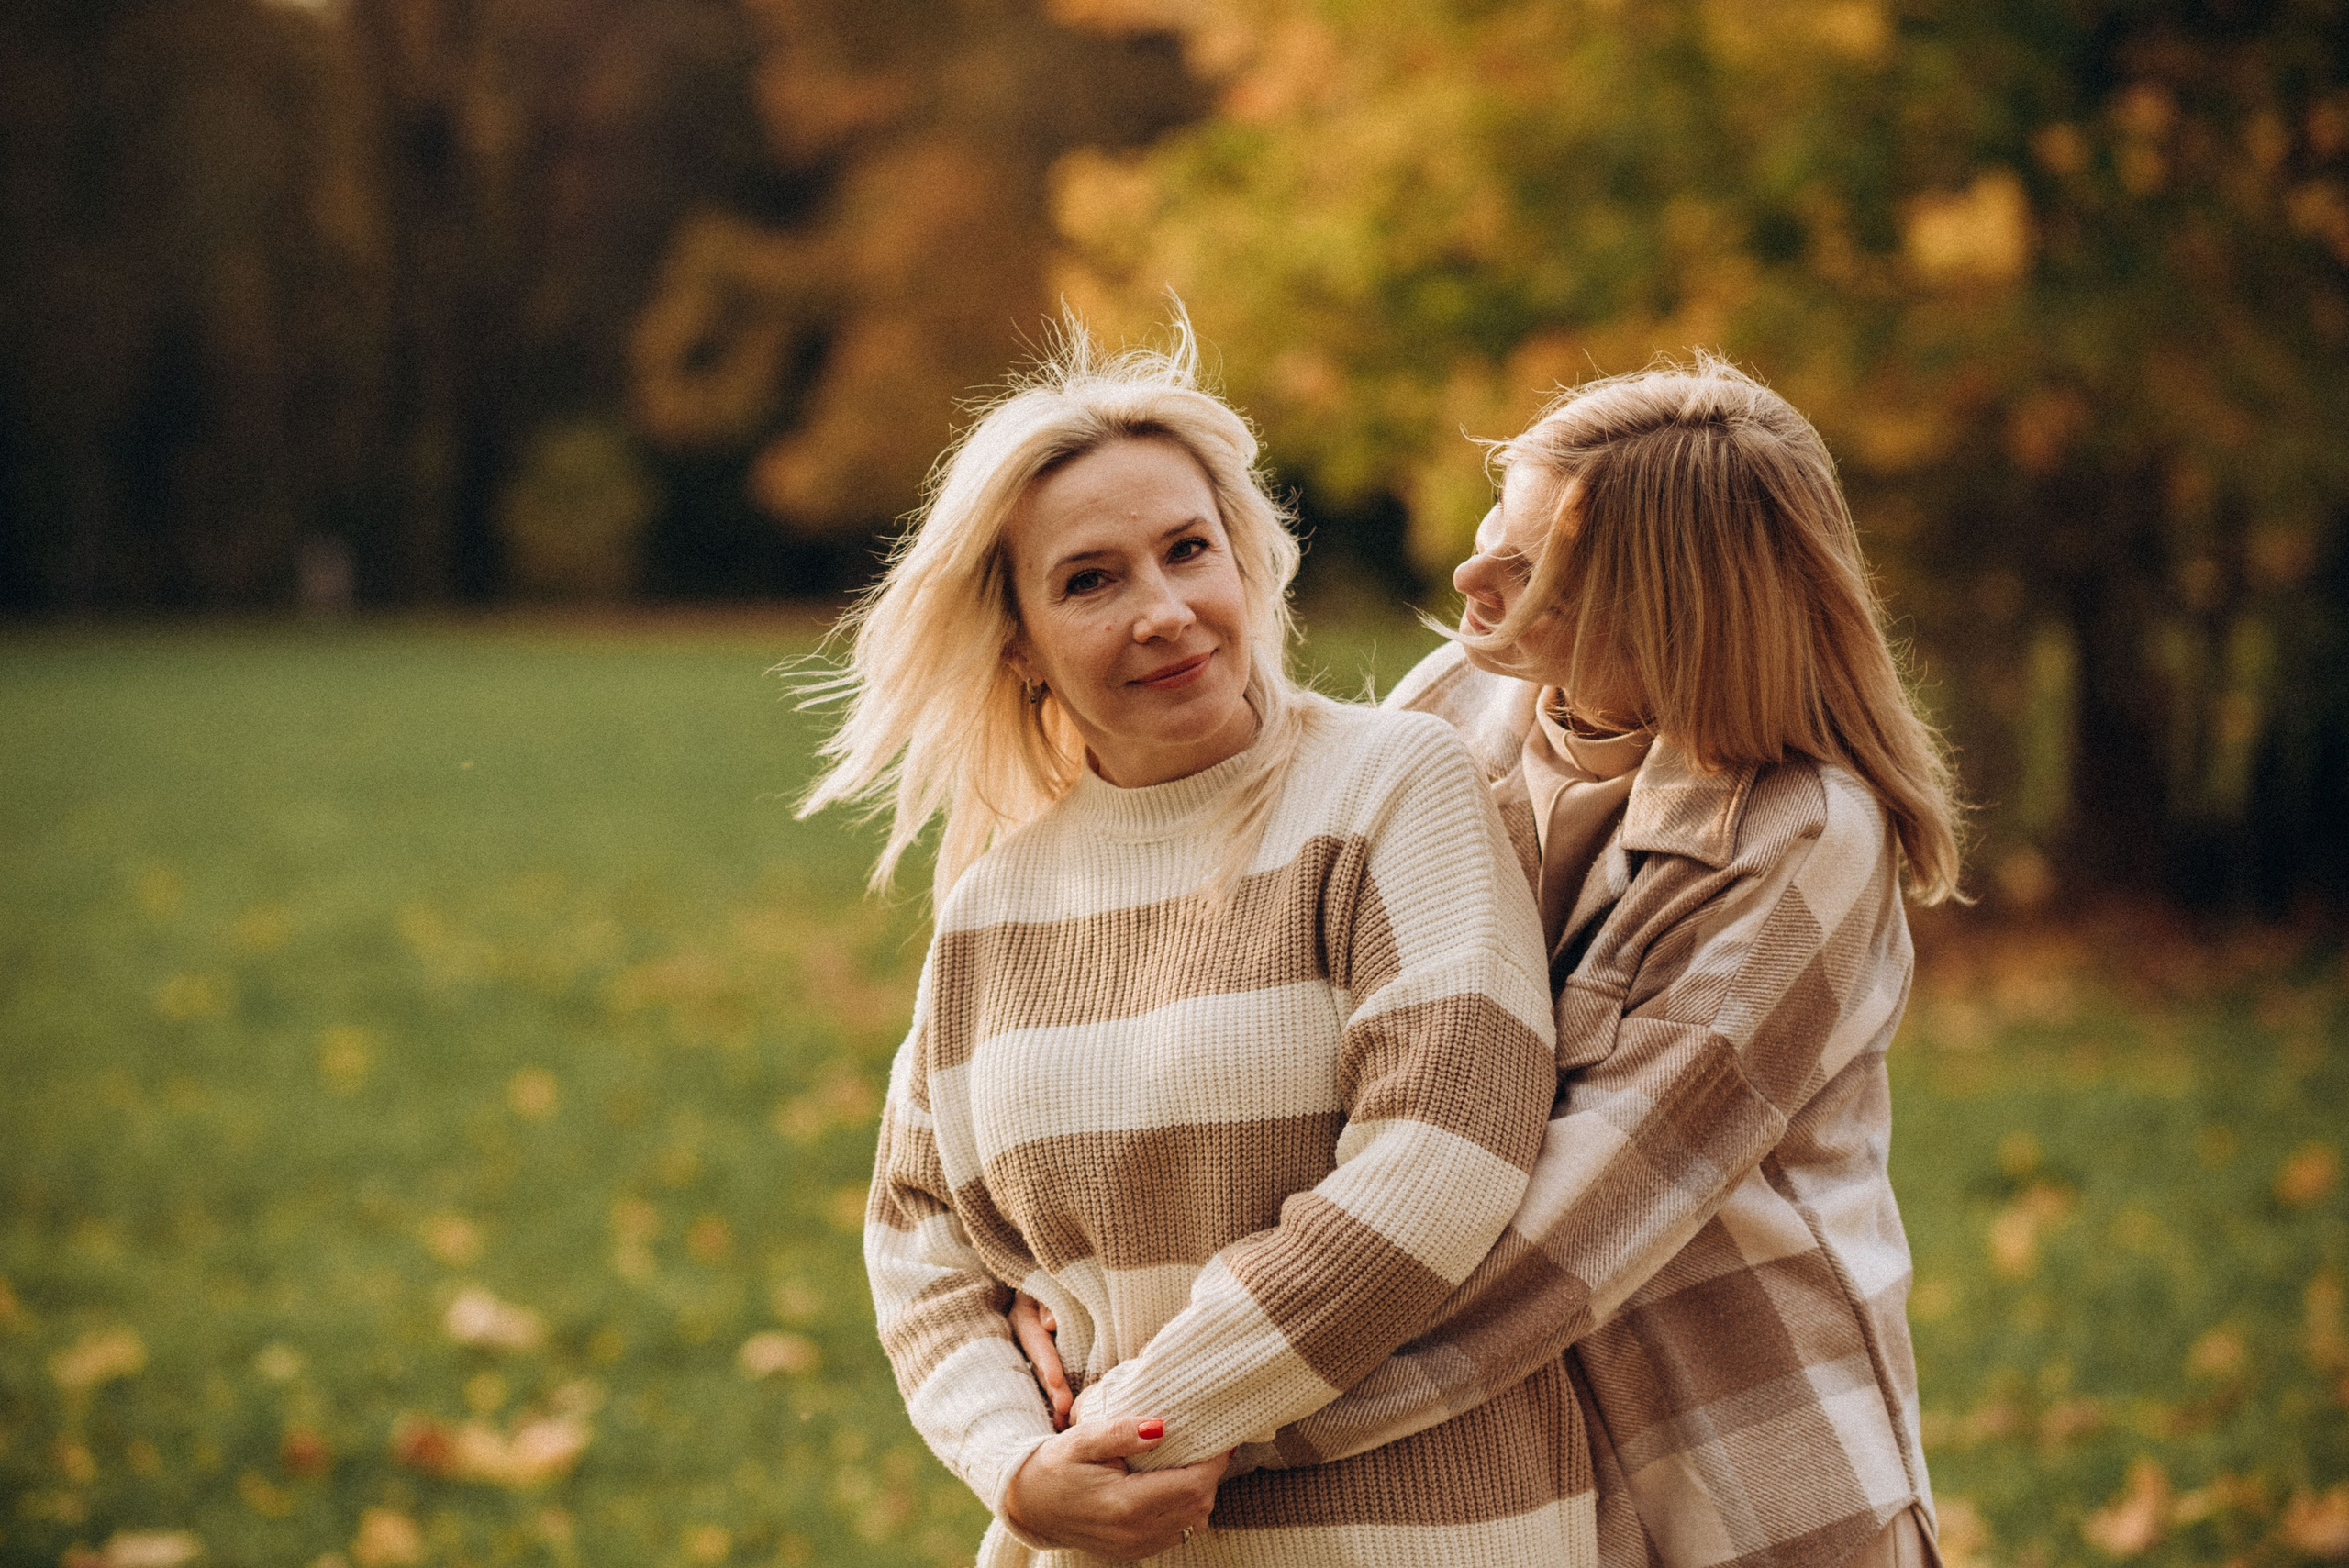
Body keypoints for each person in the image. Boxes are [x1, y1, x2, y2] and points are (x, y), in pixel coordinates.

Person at [1012, 357, 1963, 1568]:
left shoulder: (1801, 836)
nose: (1472, 578)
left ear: (1668, 607)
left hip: (1733, 1457)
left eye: (1536, 573)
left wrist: (1181, 1410)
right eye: (1490, 525)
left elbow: (1570, 1223)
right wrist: (1066, 1273)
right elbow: (1286, 1029)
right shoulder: (1454, 706)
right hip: (1503, 1469)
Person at [801, 318, 1599, 1566]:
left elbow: (1445, 1151)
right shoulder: (995, 900)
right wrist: (1015, 1468)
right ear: (1017, 639)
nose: (1165, 611)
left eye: (1188, 550)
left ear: (1247, 561)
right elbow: (919, 1238)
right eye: (1090, 580)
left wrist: (1135, 1427)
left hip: (1419, 1535)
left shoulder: (1392, 788)